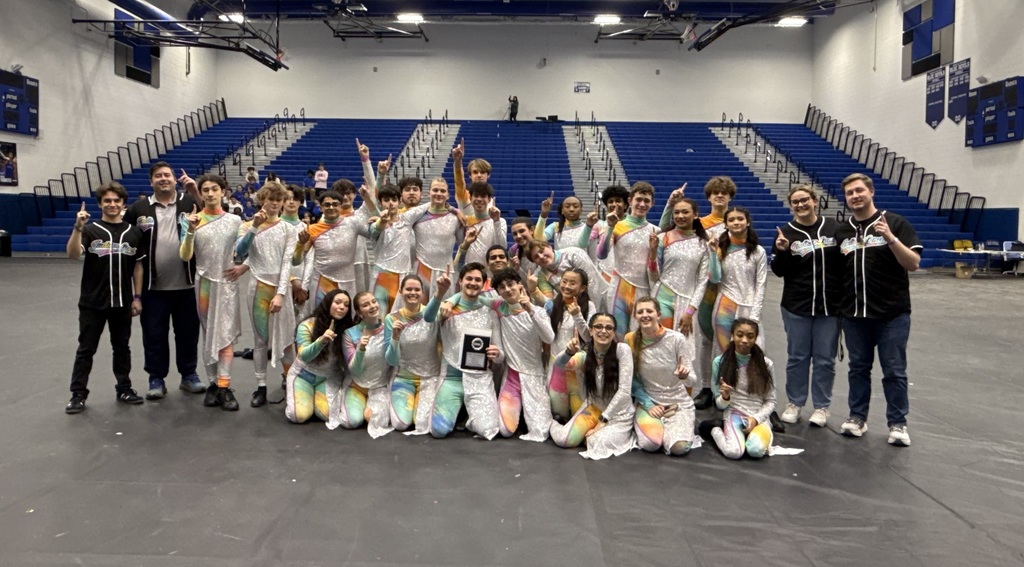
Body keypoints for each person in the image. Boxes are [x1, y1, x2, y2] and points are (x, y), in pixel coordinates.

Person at [835, 173, 922, 446]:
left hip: (892, 315)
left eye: (859, 190)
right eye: (850, 193)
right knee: (857, 368)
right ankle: (857, 418)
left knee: (894, 370)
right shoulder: (843, 231)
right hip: (855, 316)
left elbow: (914, 263)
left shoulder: (895, 222)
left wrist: (891, 238)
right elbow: (839, 274)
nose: (855, 196)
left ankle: (898, 423)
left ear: (871, 192)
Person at [123, 161, 206, 398]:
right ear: (151, 182)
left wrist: (194, 190)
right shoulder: (138, 209)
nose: (163, 179)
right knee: (154, 334)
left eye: (167, 175)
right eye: (158, 176)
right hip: (153, 287)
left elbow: (212, 215)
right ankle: (156, 379)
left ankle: (189, 375)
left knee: (188, 333)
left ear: (174, 179)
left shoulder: (189, 201)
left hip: (188, 285)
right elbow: (128, 242)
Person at [445, 268, 555, 441]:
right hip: (512, 377)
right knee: (504, 430)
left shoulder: (537, 311)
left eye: (510, 284)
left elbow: (549, 337)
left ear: (520, 285)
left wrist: (531, 310)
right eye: (502, 287)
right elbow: (471, 295)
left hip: (534, 375)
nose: (507, 289)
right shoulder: (499, 307)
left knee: (541, 431)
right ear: (498, 292)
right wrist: (450, 300)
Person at [64, 183, 145, 413]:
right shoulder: (90, 230)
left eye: (116, 201)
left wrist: (137, 297)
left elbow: (138, 267)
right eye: (107, 201)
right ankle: (78, 394)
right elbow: (72, 255)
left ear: (123, 204)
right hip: (92, 302)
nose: (112, 205)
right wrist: (77, 227)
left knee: (122, 347)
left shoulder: (134, 232)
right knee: (86, 349)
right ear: (100, 204)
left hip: (122, 301)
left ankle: (124, 388)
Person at [771, 185, 842, 427]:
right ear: (791, 206)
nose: (800, 205)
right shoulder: (786, 232)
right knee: (797, 357)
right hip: (796, 305)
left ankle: (822, 407)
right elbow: (778, 271)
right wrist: (781, 252)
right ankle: (795, 402)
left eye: (804, 200)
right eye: (795, 202)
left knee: (825, 359)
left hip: (829, 306)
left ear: (815, 201)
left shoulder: (833, 228)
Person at [179, 173, 244, 411]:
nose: (209, 193)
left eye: (214, 189)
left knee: (225, 335)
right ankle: (213, 384)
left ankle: (225, 386)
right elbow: (185, 255)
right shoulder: (192, 220)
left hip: (227, 284)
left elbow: (250, 249)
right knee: (209, 336)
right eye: (205, 189)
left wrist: (243, 267)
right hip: (204, 284)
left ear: (223, 191)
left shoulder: (235, 221)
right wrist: (190, 230)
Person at [233, 182, 299, 407]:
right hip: (258, 287)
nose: (274, 203)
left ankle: (291, 384)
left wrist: (281, 293)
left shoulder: (288, 229)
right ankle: (260, 386)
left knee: (288, 340)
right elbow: (240, 252)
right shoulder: (247, 226)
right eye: (270, 199)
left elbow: (287, 262)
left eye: (278, 200)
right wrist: (254, 227)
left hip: (281, 288)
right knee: (260, 340)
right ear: (262, 200)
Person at [423, 263, 503, 439]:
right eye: (469, 279)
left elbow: (500, 355)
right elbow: (428, 318)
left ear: (483, 284)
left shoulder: (489, 311)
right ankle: (462, 410)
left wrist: (497, 354)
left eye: (477, 280)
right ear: (460, 281)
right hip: (452, 378)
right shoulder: (447, 307)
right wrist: (441, 293)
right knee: (439, 431)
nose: (473, 283)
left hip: (479, 378)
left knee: (488, 429)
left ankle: (469, 414)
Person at [549, 313, 636, 459]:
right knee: (563, 440)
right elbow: (559, 364)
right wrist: (569, 352)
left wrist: (603, 421)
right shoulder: (586, 355)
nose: (603, 331)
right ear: (590, 331)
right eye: (598, 327)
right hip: (594, 409)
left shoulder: (622, 350)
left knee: (595, 441)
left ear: (614, 332)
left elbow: (624, 392)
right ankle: (550, 422)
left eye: (609, 328)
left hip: (618, 415)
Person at [683, 176, 736, 410]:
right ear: (709, 197)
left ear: (730, 197)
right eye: (715, 192)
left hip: (731, 288)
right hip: (706, 289)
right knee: (705, 340)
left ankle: (726, 386)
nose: (720, 196)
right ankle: (705, 387)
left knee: (728, 342)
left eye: (724, 193)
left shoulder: (737, 221)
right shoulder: (700, 224)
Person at [627, 297, 696, 456]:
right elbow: (632, 380)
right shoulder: (630, 340)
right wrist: (649, 405)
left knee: (678, 448)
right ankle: (657, 427)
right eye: (640, 312)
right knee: (650, 443)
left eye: (649, 311)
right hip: (650, 401)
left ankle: (675, 428)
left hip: (677, 403)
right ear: (635, 316)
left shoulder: (676, 339)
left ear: (658, 315)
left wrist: (684, 377)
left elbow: (693, 379)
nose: (645, 315)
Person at [294, 183, 375, 315]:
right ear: (320, 207)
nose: (331, 207)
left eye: (335, 204)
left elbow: (375, 234)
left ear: (341, 205)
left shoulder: (353, 223)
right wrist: (300, 244)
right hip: (322, 281)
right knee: (321, 319)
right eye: (327, 205)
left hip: (347, 282)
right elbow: (296, 261)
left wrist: (380, 220)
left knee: (347, 321)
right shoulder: (312, 229)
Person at [700, 318, 776, 459]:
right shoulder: (719, 362)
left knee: (755, 451)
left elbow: (771, 401)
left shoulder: (766, 365)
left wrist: (756, 419)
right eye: (740, 335)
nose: (744, 340)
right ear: (732, 336)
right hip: (734, 413)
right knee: (734, 452)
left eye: (750, 336)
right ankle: (715, 429)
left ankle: (755, 433)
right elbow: (720, 405)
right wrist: (725, 397)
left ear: (756, 338)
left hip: (758, 414)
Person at [597, 181, 658, 337]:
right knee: (618, 334)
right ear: (630, 201)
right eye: (638, 200)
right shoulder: (616, 226)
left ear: (652, 204)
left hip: (644, 288)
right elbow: (601, 254)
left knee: (642, 334)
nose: (642, 204)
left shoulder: (656, 231)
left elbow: (654, 271)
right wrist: (610, 227)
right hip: (619, 288)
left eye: (646, 201)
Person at [285, 290, 354, 424]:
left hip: (329, 377)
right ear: (328, 303)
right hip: (303, 375)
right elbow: (304, 355)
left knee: (328, 415)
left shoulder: (347, 330)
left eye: (346, 305)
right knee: (298, 416)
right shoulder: (307, 325)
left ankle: (314, 397)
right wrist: (321, 341)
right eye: (338, 302)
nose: (342, 307)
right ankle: (300, 394)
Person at [384, 275, 442, 433]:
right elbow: (391, 360)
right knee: (400, 424)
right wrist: (395, 337)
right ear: (401, 291)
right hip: (404, 377)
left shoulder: (433, 315)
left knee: (422, 423)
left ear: (422, 292)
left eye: (417, 289)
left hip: (429, 377)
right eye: (408, 289)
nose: (413, 293)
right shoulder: (391, 318)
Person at [708, 206, 767, 359]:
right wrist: (713, 254)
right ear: (726, 224)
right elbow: (714, 278)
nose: (736, 222)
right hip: (725, 307)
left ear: (747, 222)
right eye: (731, 220)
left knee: (752, 355)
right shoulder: (721, 248)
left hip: (749, 307)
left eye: (740, 219)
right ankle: (721, 383)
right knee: (724, 354)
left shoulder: (758, 251)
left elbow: (761, 285)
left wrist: (754, 316)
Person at [333, 292, 393, 437]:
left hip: (379, 386)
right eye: (366, 305)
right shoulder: (350, 334)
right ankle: (358, 404)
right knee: (351, 422)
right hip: (357, 386)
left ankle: (373, 406)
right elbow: (355, 369)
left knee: (374, 420)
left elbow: (393, 361)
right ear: (359, 313)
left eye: (373, 302)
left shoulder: (387, 329)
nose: (372, 306)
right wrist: (360, 349)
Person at [540, 268, 594, 422]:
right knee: (559, 417)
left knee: (577, 416)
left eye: (572, 283)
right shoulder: (551, 306)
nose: (567, 286)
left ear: (582, 288)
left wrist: (577, 315)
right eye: (564, 281)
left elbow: (588, 338)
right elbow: (546, 337)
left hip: (577, 368)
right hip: (556, 365)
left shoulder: (589, 306)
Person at [411, 177, 464, 303]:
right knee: (419, 311)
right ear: (429, 193)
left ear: (448, 195)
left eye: (442, 191)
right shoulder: (417, 216)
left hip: (445, 272)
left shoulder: (456, 219)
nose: (439, 194)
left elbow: (463, 245)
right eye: (435, 190)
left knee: (443, 313)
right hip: (421, 269)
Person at [579, 184, 630, 308]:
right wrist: (589, 225)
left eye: (618, 201)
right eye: (610, 201)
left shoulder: (632, 224)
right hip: (604, 276)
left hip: (627, 276)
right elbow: (582, 244)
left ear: (626, 205)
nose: (614, 204)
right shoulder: (600, 225)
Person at [526, 238, 600, 305]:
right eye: (536, 257)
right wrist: (533, 290)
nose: (541, 256)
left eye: (541, 251)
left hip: (598, 298)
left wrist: (591, 311)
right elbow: (549, 304)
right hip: (574, 308)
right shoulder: (541, 274)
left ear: (549, 247)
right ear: (534, 262)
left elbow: (592, 284)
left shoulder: (573, 254)